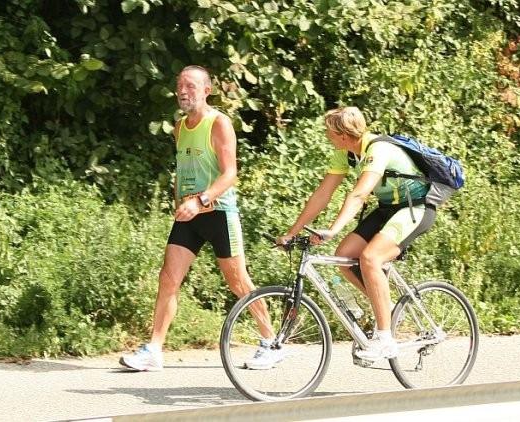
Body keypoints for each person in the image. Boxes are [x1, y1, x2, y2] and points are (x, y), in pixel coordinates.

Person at [120, 65, 276, 371]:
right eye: (180, 85)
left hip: (218, 212)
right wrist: (181, 201)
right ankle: (154, 349)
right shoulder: (180, 127)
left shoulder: (219, 123)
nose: (182, 91)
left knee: (239, 282)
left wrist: (202, 199)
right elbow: (183, 170)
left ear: (206, 90)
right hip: (189, 214)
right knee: (168, 278)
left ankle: (271, 342)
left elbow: (231, 174)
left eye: (190, 86)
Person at [278, 106, 436, 361]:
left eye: (330, 132)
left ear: (343, 135)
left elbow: (360, 195)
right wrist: (291, 232)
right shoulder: (346, 153)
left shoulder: (378, 149)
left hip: (414, 208)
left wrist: (332, 230)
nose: (327, 136)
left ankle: (385, 339)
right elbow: (322, 194)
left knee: (371, 258)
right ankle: (389, 309)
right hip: (387, 209)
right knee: (345, 255)